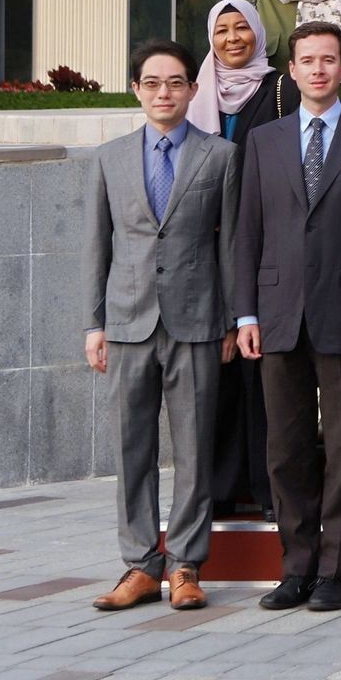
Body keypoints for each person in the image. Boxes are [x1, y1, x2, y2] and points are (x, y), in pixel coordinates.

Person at [232, 20, 341, 612]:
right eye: (308, 60)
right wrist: (245, 313)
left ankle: (335, 570)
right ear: (293, 69)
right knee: (286, 447)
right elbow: (246, 233)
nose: (319, 70)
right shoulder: (265, 141)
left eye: (330, 60)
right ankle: (296, 566)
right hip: (277, 314)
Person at [86, 40, 241, 613]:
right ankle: (138, 566)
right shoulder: (110, 158)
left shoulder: (220, 156)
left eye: (175, 83)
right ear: (137, 89)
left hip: (198, 321)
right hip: (127, 321)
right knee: (132, 449)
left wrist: (230, 318)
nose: (164, 93)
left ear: (192, 89)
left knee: (195, 449)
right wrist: (93, 324)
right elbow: (96, 248)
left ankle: (185, 565)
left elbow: (231, 245)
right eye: (152, 83)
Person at [187, 0, 291, 524]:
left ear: (258, 34)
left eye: (242, 28)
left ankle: (269, 487)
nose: (232, 38)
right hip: (206, 248)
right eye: (222, 29)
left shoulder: (280, 87)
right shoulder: (196, 91)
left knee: (263, 370)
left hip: (266, 241)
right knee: (218, 370)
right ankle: (220, 488)